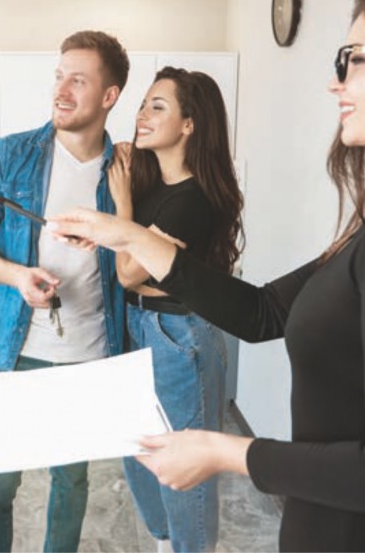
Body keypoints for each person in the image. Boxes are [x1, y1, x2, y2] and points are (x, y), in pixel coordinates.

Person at [48, 0, 365, 551]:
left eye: (355, 59)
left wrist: (224, 451)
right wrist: (127, 235)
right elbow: (263, 313)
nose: (335, 83)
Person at [0, 30, 129, 553]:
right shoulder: (9, 157)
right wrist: (17, 276)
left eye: (78, 80)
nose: (61, 91)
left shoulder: (127, 170)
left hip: (89, 356)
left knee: (71, 485)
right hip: (16, 354)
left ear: (109, 95)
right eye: (59, 76)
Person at [108, 66, 242, 552]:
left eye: (157, 106)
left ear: (189, 124)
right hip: (138, 327)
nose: (142, 114)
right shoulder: (152, 185)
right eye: (144, 104)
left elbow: (128, 272)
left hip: (178, 337)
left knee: (186, 473)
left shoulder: (192, 200)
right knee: (140, 456)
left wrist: (122, 205)